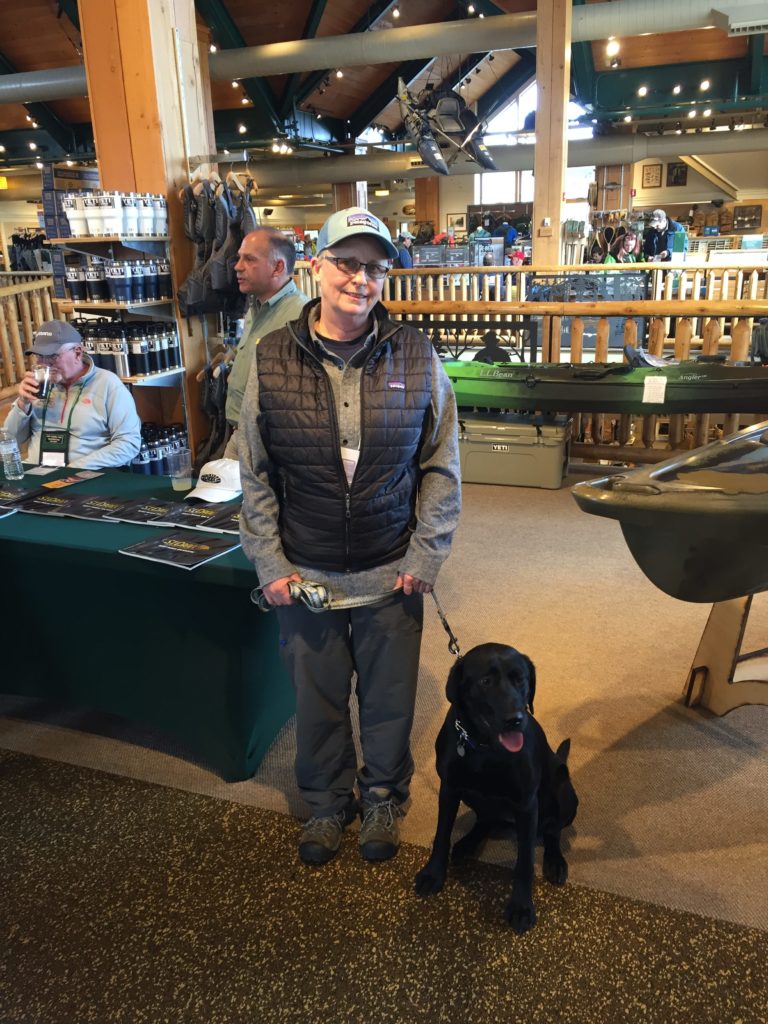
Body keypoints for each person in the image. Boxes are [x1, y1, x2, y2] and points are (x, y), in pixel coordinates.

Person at [238, 207, 462, 867]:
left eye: (374, 267)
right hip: (305, 574)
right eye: (347, 263)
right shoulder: (272, 355)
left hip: (392, 569)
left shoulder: (418, 354)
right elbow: (253, 470)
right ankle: (328, 802)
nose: (359, 280)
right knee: (318, 700)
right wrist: (268, 562)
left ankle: (385, 796)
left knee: (390, 702)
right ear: (317, 265)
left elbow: (442, 464)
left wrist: (427, 553)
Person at [196, 227, 309, 450]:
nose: (237, 266)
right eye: (239, 258)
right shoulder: (256, 308)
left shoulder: (301, 316)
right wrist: (232, 356)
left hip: (272, 441)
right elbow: (253, 347)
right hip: (242, 432)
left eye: (249, 259)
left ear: (278, 267)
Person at [4, 320, 141, 469]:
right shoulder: (37, 385)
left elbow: (129, 444)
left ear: (77, 352)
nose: (44, 364)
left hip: (85, 478)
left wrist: (76, 469)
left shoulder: (108, 384)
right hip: (37, 474)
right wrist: (22, 404)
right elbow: (9, 440)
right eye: (39, 356)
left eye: (52, 356)